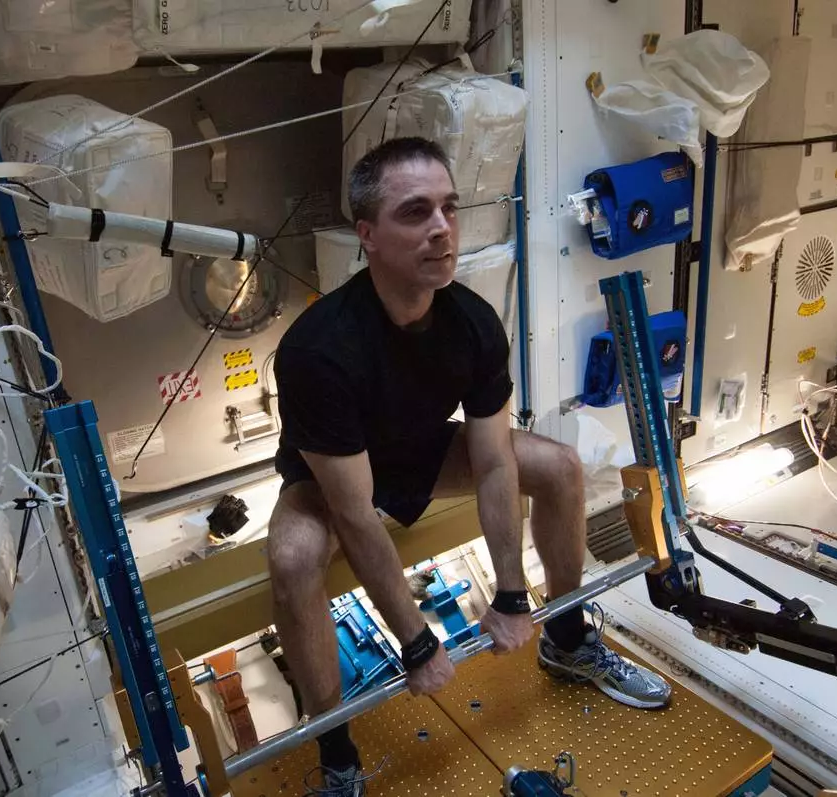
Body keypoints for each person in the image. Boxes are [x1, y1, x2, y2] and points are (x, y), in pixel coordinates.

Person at [269, 137, 671, 796]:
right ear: (367, 236)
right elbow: (354, 512)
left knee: (560, 467)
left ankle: (566, 639)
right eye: (415, 212)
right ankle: (337, 754)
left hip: (423, 451)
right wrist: (416, 641)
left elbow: (493, 462)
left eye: (449, 208)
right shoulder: (319, 351)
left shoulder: (474, 322)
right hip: (329, 481)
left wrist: (511, 595)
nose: (441, 228)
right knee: (292, 558)